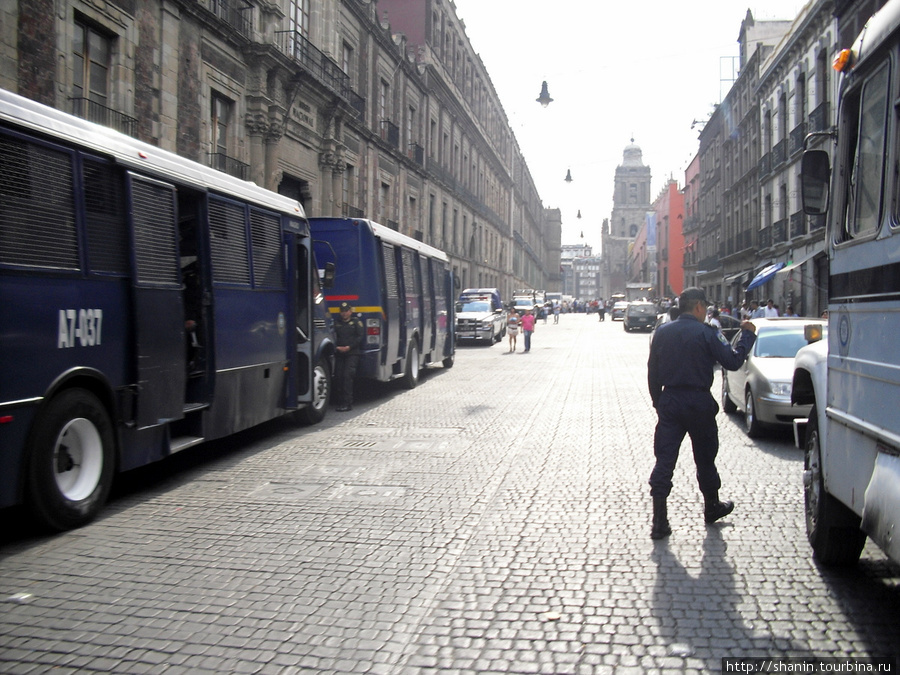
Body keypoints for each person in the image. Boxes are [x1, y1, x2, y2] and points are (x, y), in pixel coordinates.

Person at [647, 287, 757, 540]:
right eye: (705, 308)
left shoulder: (662, 332)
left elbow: (652, 369)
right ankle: (711, 507)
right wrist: (747, 337)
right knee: (705, 459)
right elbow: (732, 362)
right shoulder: (708, 333)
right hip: (698, 401)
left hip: (671, 400)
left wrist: (658, 401)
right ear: (698, 307)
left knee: (664, 461)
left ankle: (659, 521)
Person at [333, 301, 364, 411]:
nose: (344, 313)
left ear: (350, 312)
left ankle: (347, 403)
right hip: (340, 353)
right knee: (338, 377)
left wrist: (349, 347)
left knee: (347, 377)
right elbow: (333, 337)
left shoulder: (356, 323)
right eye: (342, 311)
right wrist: (337, 347)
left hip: (352, 353)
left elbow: (360, 337)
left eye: (346, 311)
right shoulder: (336, 323)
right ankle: (340, 402)